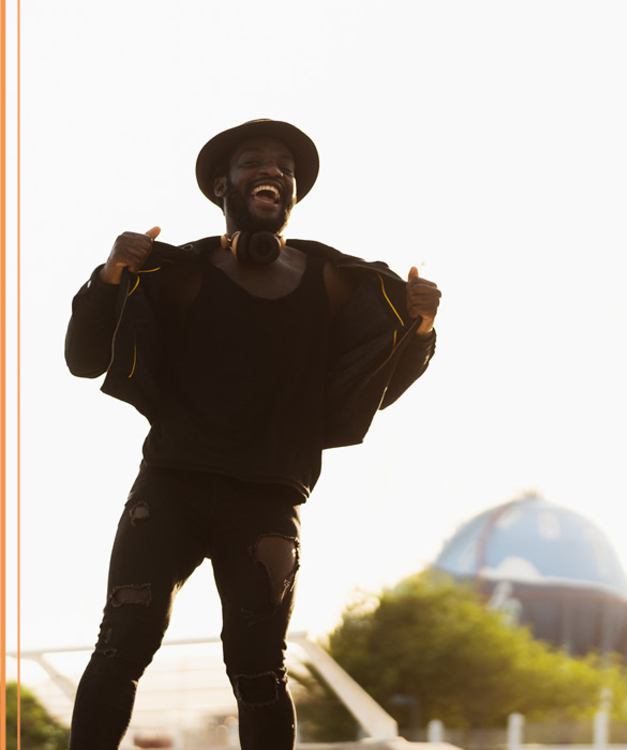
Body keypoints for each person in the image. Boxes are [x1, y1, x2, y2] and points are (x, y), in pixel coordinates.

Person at [63, 119, 441, 749]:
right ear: (222, 186)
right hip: (171, 489)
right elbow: (83, 357)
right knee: (121, 645)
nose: (273, 170)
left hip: (268, 501)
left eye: (284, 166)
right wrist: (109, 278)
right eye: (253, 162)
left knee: (259, 670)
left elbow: (373, 390)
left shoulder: (337, 281)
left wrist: (420, 330)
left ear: (293, 194)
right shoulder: (178, 272)